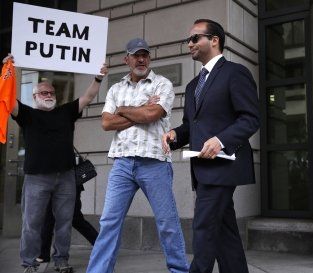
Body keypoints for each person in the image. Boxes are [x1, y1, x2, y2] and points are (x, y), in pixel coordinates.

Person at [162, 19, 260, 273]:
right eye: (189, 40)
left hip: (224, 165)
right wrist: (174, 134)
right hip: (202, 168)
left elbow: (250, 118)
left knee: (204, 227)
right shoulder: (194, 85)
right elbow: (191, 126)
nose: (189, 44)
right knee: (225, 233)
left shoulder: (235, 73)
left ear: (214, 40)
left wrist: (221, 140)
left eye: (195, 39)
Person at [85, 38, 189, 273]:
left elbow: (152, 115)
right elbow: (106, 123)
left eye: (145, 55)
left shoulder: (162, 84)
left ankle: (179, 271)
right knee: (108, 223)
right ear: (127, 59)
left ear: (149, 58)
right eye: (135, 55)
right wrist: (141, 108)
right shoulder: (116, 88)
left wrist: (122, 110)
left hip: (154, 163)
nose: (141, 59)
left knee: (167, 223)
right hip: (122, 163)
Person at [1, 54, 108, 273]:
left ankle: (61, 261)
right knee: (31, 224)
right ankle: (29, 264)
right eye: (43, 92)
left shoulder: (66, 112)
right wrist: (6, 71)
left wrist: (98, 78)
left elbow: (87, 97)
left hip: (66, 177)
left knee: (64, 222)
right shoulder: (27, 114)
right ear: (35, 96)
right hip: (37, 178)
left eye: (51, 92)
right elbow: (8, 99)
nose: (48, 95)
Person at [38, 183, 99, 263]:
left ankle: (102, 245)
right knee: (48, 218)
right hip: (53, 182)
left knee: (75, 218)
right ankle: (43, 254)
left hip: (71, 183)